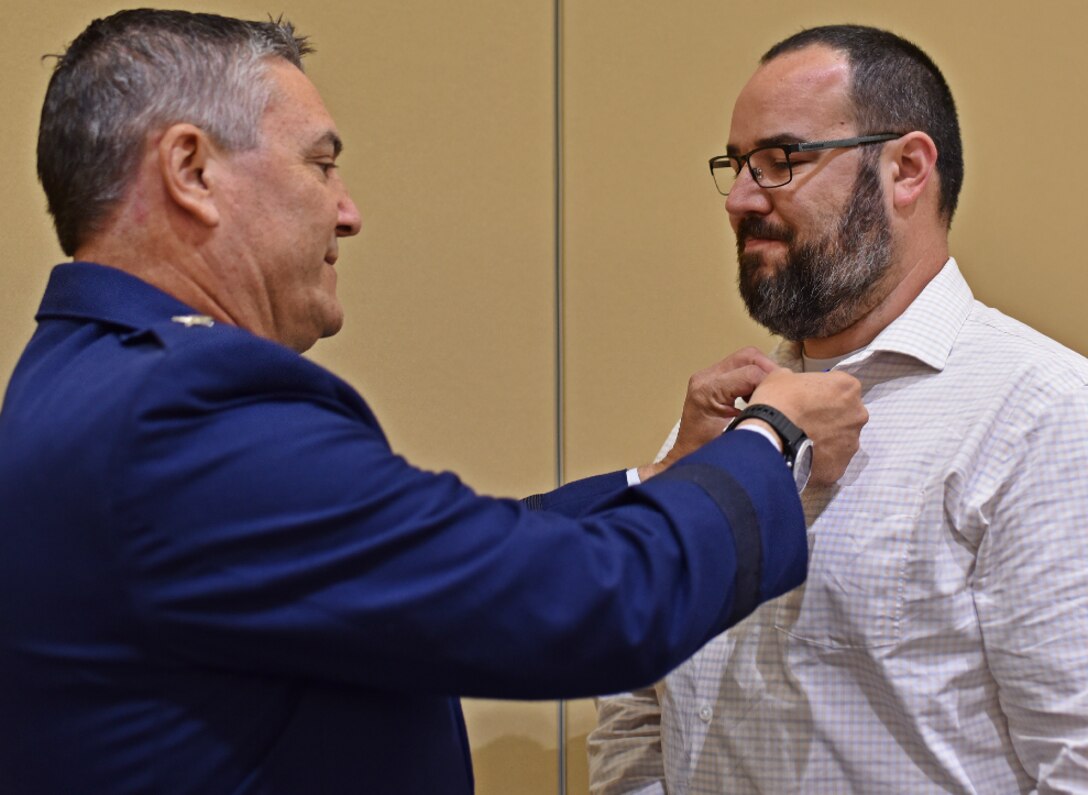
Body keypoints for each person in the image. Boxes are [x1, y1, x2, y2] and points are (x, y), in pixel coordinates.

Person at [0, 10, 868, 794]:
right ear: (191, 169)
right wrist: (772, 438)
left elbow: (422, 553)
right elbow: (582, 604)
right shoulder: (184, 409)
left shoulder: (77, 375)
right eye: (322, 164)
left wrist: (662, 477)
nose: (349, 213)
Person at [588, 23, 1088, 794]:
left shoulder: (1043, 415)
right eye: (738, 165)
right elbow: (635, 706)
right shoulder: (729, 417)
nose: (742, 199)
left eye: (782, 161)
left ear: (907, 169)